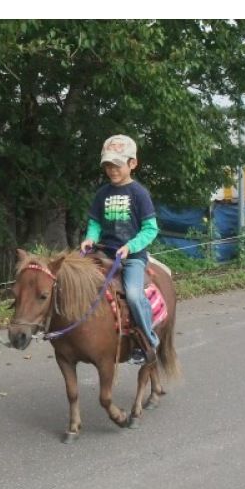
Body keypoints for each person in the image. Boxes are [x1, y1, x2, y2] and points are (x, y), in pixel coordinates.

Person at [79, 134, 160, 364]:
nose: (112, 169)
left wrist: (130, 246)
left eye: (117, 164)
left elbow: (150, 229)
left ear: (132, 163)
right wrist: (90, 239)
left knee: (134, 296)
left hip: (132, 257)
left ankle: (148, 340)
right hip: (103, 252)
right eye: (108, 165)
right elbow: (95, 223)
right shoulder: (102, 194)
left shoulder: (139, 194)